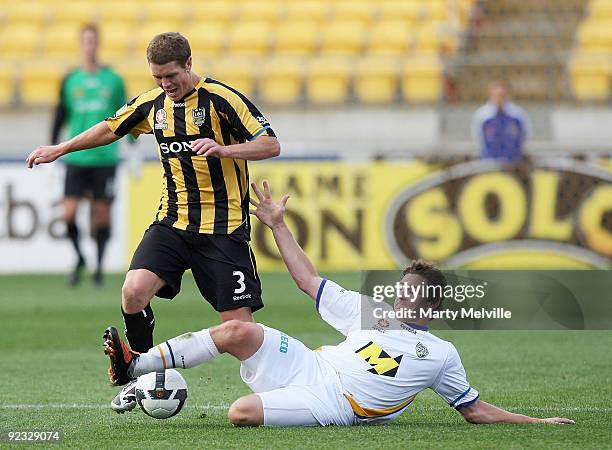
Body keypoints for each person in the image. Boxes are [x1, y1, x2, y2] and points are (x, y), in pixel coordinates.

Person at [103, 180, 574, 427]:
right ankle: (136, 365)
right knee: (238, 332)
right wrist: (277, 226)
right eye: (400, 285)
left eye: (410, 291)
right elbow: (309, 280)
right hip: (311, 364)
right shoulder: (374, 312)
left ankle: (142, 366)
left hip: (333, 402)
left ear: (429, 306)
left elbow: (473, 409)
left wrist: (537, 422)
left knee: (239, 413)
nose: (399, 294)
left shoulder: (442, 355)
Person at [27, 33, 280, 381]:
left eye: (171, 76)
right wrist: (61, 148)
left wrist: (225, 150)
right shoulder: (152, 104)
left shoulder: (222, 100)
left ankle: (274, 388)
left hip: (224, 229)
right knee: (133, 292)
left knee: (240, 330)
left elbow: (270, 144)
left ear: (189, 64)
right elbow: (111, 128)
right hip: (173, 224)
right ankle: (140, 376)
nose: (165, 84)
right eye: (157, 77)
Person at [51, 23, 128, 287]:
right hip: (77, 158)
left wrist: (133, 149)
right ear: (81, 44)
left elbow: (127, 115)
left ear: (98, 43)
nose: (90, 45)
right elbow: (60, 115)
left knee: (101, 214)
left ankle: (98, 268)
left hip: (105, 157)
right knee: (69, 214)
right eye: (85, 41)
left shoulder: (114, 80)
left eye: (93, 41)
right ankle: (80, 258)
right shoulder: (70, 79)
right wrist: (53, 150)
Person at [471, 79, 530, 161]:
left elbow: (525, 136)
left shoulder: (518, 114)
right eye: (496, 94)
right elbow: (478, 138)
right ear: (490, 93)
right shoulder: (482, 115)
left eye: (502, 94)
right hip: (489, 162)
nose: (499, 97)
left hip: (513, 163)